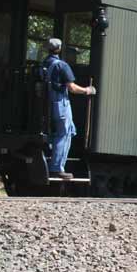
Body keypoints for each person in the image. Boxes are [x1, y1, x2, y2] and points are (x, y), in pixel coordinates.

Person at [43, 38, 96, 179]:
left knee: (63, 132)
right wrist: (87, 90)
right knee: (65, 133)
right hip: (61, 103)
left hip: (46, 103)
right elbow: (72, 88)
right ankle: (56, 167)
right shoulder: (62, 65)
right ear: (59, 49)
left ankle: (53, 160)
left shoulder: (45, 63)